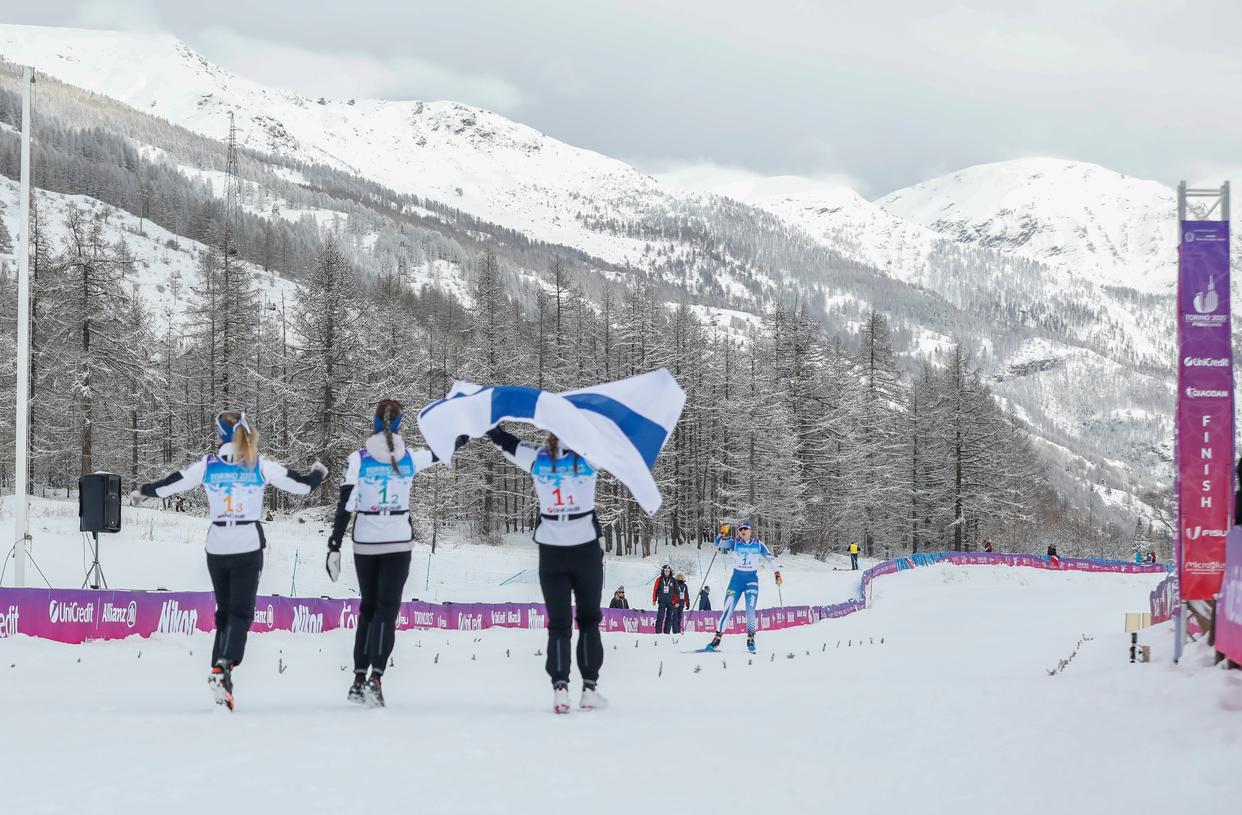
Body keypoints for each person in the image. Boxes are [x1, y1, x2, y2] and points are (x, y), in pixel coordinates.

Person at [135, 411, 326, 710]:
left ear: (221, 436)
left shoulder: (208, 465)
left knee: (224, 614)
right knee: (241, 615)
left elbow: (172, 483)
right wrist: (317, 473)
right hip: (248, 544)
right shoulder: (259, 464)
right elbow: (301, 486)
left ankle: (220, 676)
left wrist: (145, 491)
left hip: (217, 546)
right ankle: (225, 665)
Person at [326, 399, 444, 707]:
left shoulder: (359, 458)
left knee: (368, 609)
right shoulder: (410, 457)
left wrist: (334, 545)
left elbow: (345, 504)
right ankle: (376, 678)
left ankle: (357, 679)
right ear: (400, 424)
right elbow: (445, 448)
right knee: (386, 612)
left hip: (365, 542)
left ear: (375, 423)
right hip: (397, 542)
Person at [485, 425, 606, 714]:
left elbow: (506, 443)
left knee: (559, 624)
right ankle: (589, 689)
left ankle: (560, 689)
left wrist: (489, 422)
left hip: (551, 550)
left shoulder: (537, 456)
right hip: (585, 548)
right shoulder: (590, 456)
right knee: (589, 619)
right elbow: (624, 443)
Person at [705, 520, 781, 654]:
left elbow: (770, 558)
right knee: (728, 608)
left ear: (750, 531)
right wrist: (722, 532)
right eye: (740, 530)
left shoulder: (758, 544)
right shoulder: (734, 543)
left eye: (745, 529)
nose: (742, 531)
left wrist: (777, 573)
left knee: (750, 609)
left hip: (751, 580)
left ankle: (750, 638)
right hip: (736, 580)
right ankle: (717, 639)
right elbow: (718, 543)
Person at [652, 564, 678, 634]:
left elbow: (677, 591)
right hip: (662, 601)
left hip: (671, 602)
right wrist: (654, 600)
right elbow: (655, 590)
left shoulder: (673, 580)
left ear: (670, 572)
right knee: (660, 616)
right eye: (665, 571)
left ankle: (667, 632)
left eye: (668, 571)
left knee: (669, 618)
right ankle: (658, 632)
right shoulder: (659, 579)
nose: (667, 572)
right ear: (663, 571)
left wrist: (676, 602)